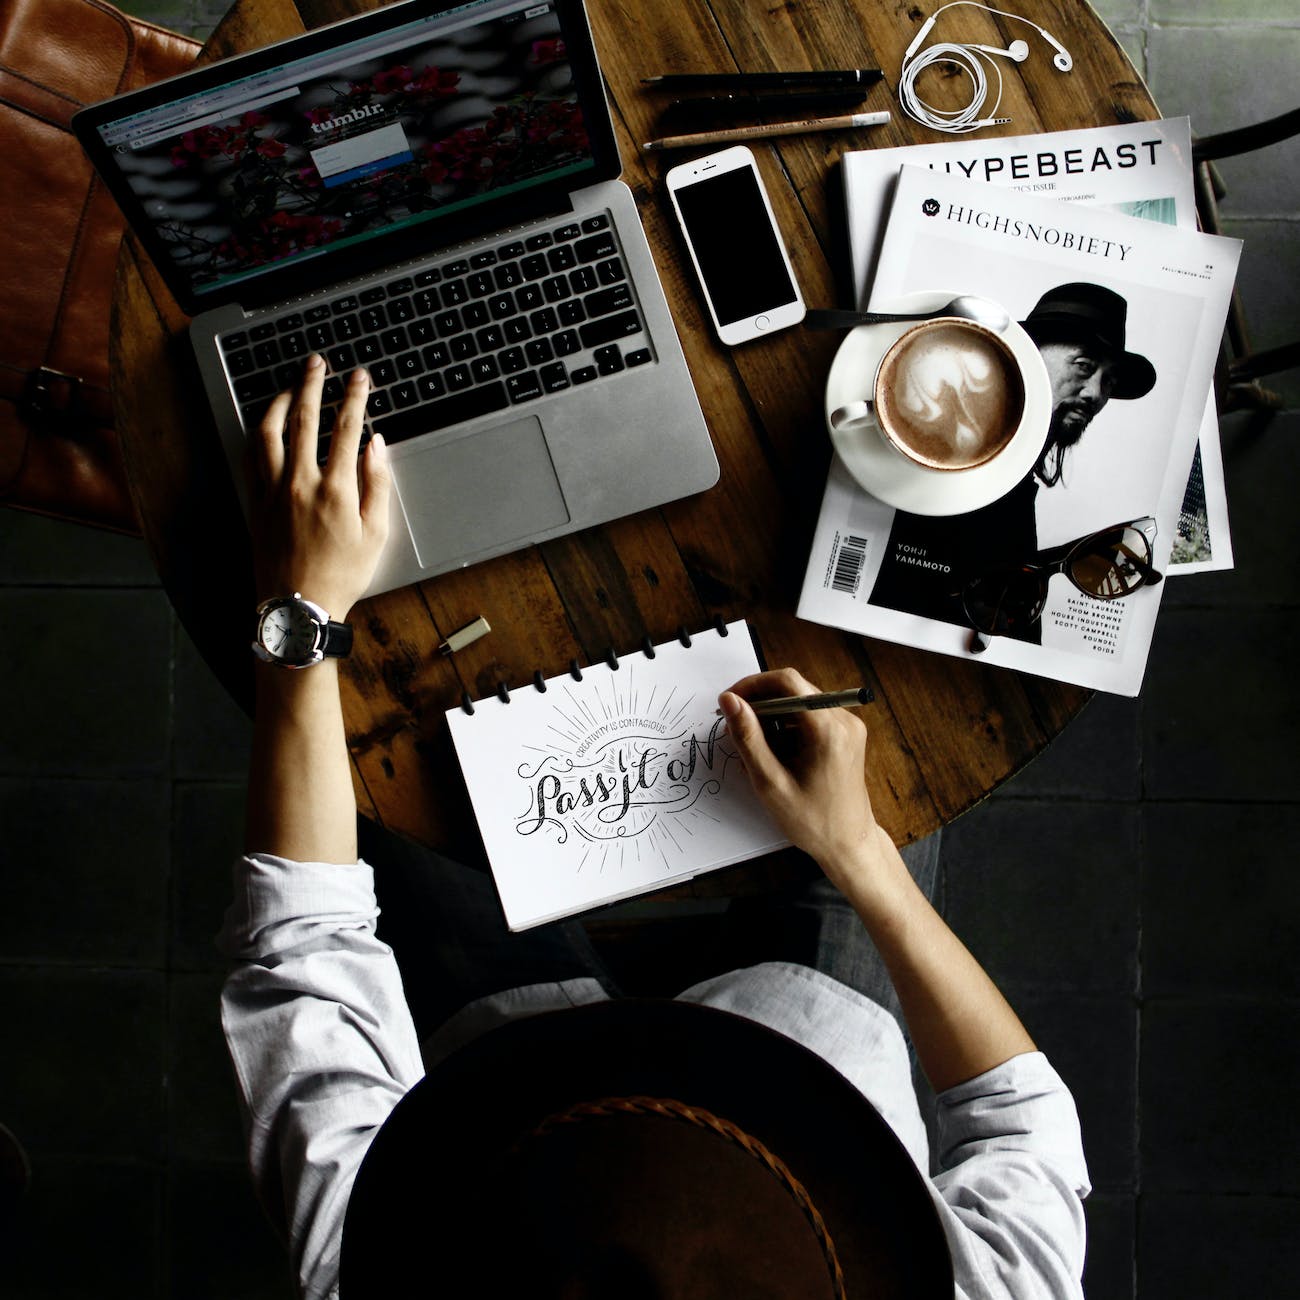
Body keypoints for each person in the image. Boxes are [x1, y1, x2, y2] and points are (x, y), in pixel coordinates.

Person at [219, 356, 1090, 1298]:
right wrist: (857, 851)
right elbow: (1019, 1119)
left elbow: (303, 948)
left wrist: (301, 614)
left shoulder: (374, 1265)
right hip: (817, 1032)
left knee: (392, 769)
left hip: (504, 1054)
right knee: (887, 689)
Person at [867, 281, 1157, 640]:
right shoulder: (958, 456)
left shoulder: (1017, 484)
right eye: (1083, 366)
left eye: (1109, 382)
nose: (1096, 394)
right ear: (1029, 354)